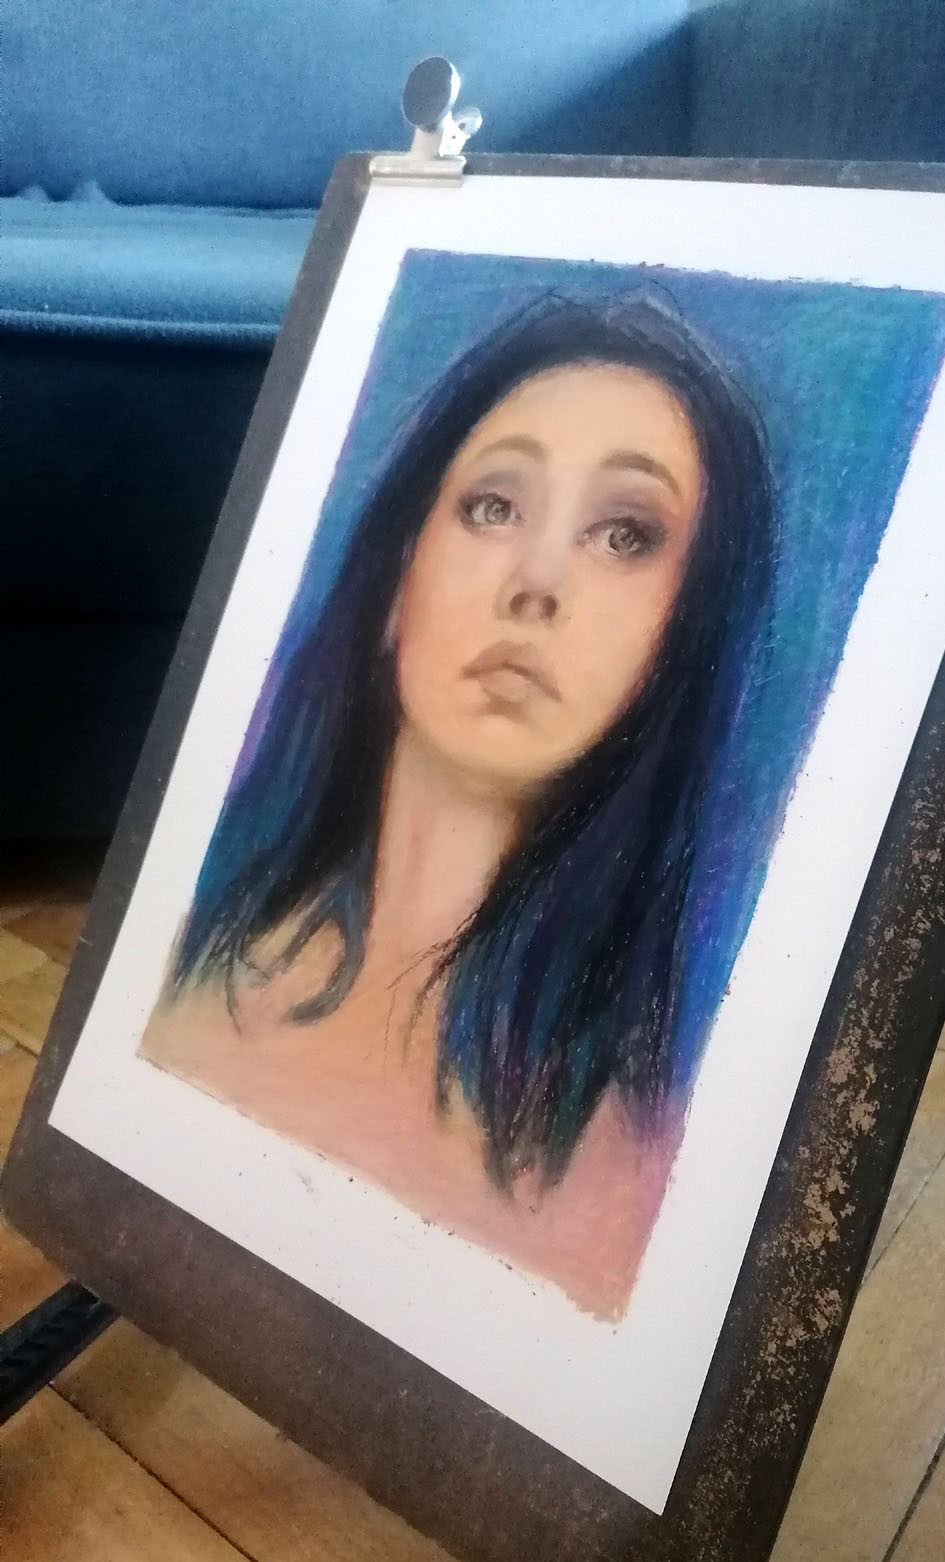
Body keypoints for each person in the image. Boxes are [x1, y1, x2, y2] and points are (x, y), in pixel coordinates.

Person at [141, 292, 779, 1317]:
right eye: (492, 507)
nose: (537, 581)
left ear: (681, 637)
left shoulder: (631, 1172)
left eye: (625, 534)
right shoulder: (186, 973)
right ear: (399, 579)